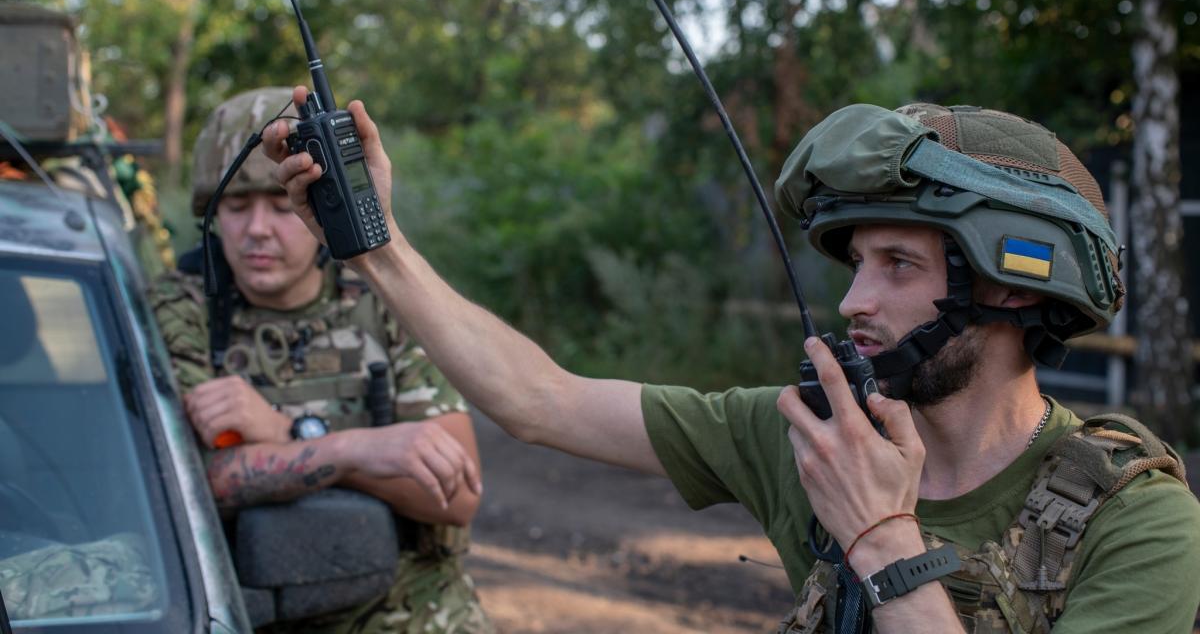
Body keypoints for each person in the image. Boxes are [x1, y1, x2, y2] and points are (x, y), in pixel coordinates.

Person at [264, 88, 1200, 633]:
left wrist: (882, 538)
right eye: (856, 262)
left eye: (898, 265)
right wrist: (373, 243)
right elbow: (537, 400)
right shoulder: (810, 437)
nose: (852, 302)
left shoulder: (1137, 523)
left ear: (1011, 287)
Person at [150, 87, 493, 634]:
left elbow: (455, 495)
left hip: (419, 614)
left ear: (318, 207)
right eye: (237, 206)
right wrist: (359, 449)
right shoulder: (180, 308)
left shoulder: (386, 299)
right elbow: (193, 486)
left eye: (280, 205)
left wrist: (280, 432)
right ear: (211, 215)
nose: (257, 229)